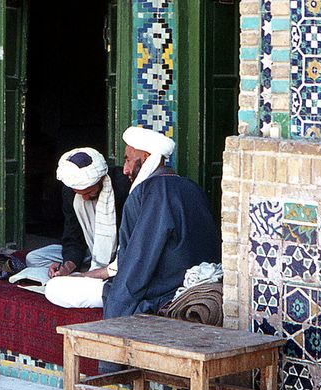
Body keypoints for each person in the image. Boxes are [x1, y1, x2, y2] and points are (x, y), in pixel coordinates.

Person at [44, 126, 221, 315]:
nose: (126, 170)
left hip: (163, 288)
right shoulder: (190, 186)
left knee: (55, 289)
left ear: (145, 158)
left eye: (128, 160)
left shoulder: (152, 192)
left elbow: (139, 258)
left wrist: (118, 304)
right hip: (183, 278)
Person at [25, 147, 130, 285]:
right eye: (80, 193)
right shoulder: (70, 192)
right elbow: (73, 236)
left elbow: (131, 238)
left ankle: (93, 272)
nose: (85, 198)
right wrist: (67, 267)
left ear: (101, 179)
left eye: (89, 192)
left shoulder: (122, 186)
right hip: (89, 251)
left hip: (118, 254)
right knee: (33, 258)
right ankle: (84, 271)